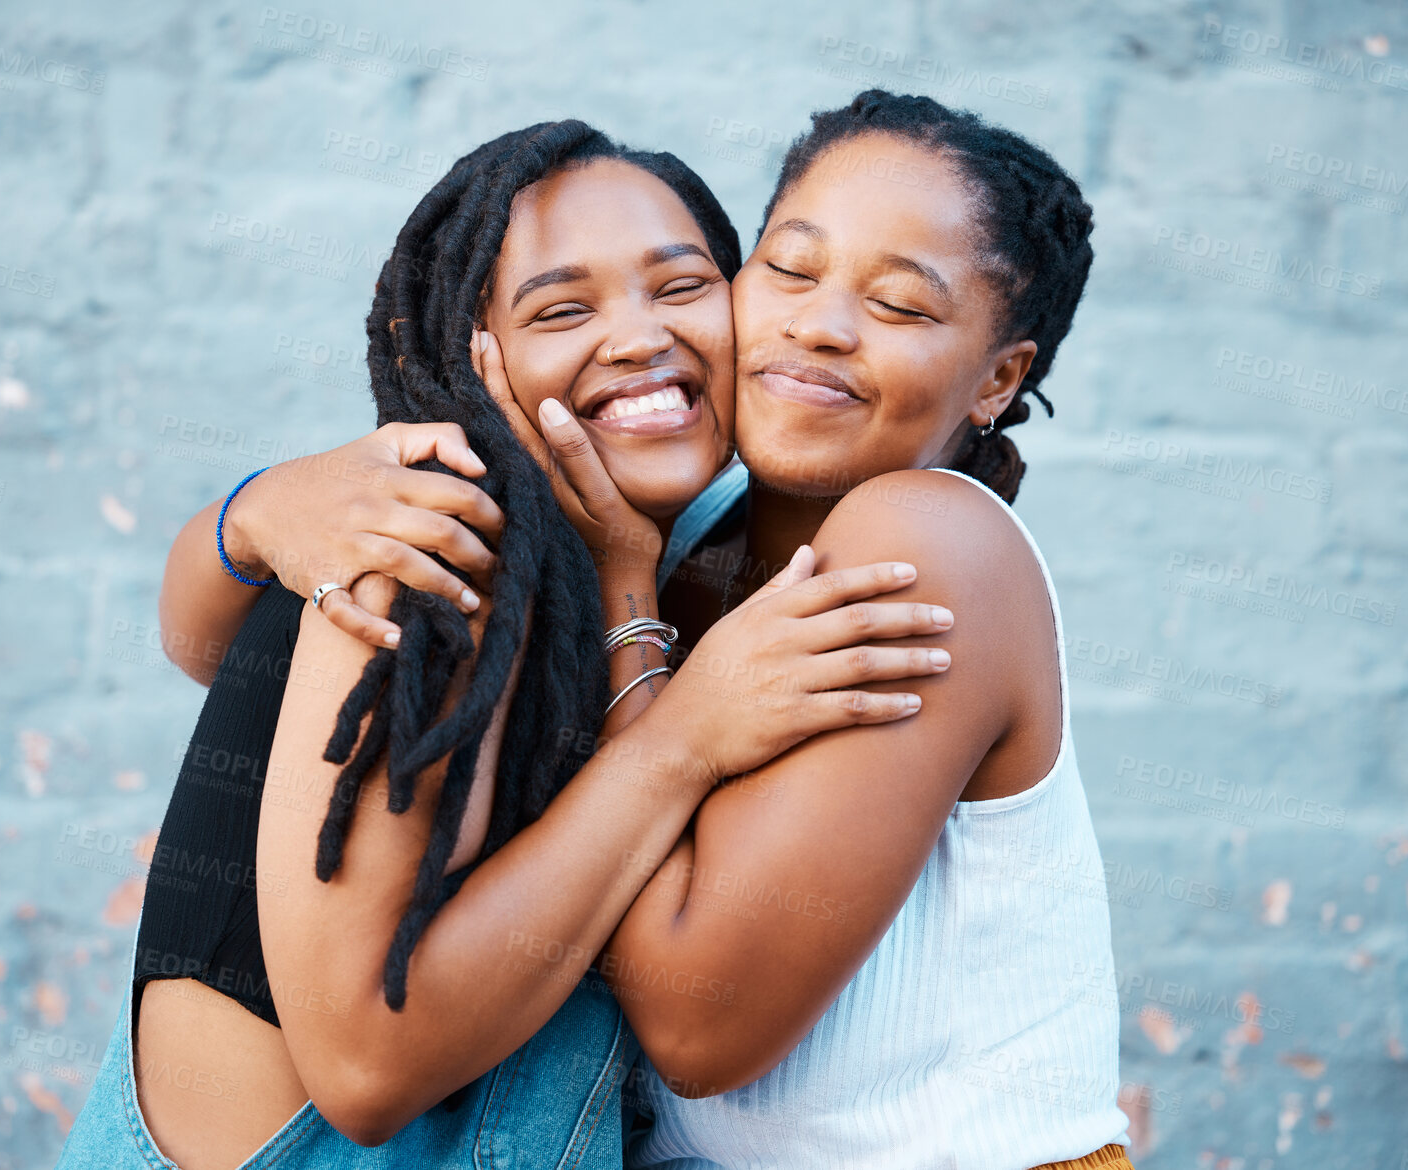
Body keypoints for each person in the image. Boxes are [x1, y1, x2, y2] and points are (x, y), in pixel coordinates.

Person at [154, 89, 1133, 1170]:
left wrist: (633, 614)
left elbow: (695, 1026)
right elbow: (217, 652)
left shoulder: (927, 542)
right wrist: (256, 511)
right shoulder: (672, 537)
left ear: (999, 376)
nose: (818, 322)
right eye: (790, 269)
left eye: (899, 305)